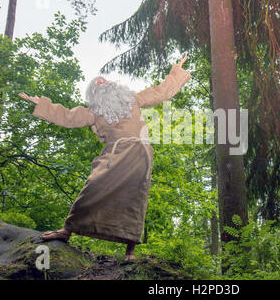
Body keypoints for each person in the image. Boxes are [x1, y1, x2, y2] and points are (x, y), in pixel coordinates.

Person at [18, 56, 191, 261]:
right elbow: (68, 116)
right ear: (94, 94)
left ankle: (130, 250)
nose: (102, 82)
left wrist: (176, 72)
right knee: (93, 186)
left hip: (139, 153)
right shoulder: (93, 112)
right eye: (97, 83)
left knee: (135, 197)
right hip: (114, 153)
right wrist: (42, 104)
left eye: (104, 80)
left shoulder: (132, 99)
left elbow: (160, 92)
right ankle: (67, 230)